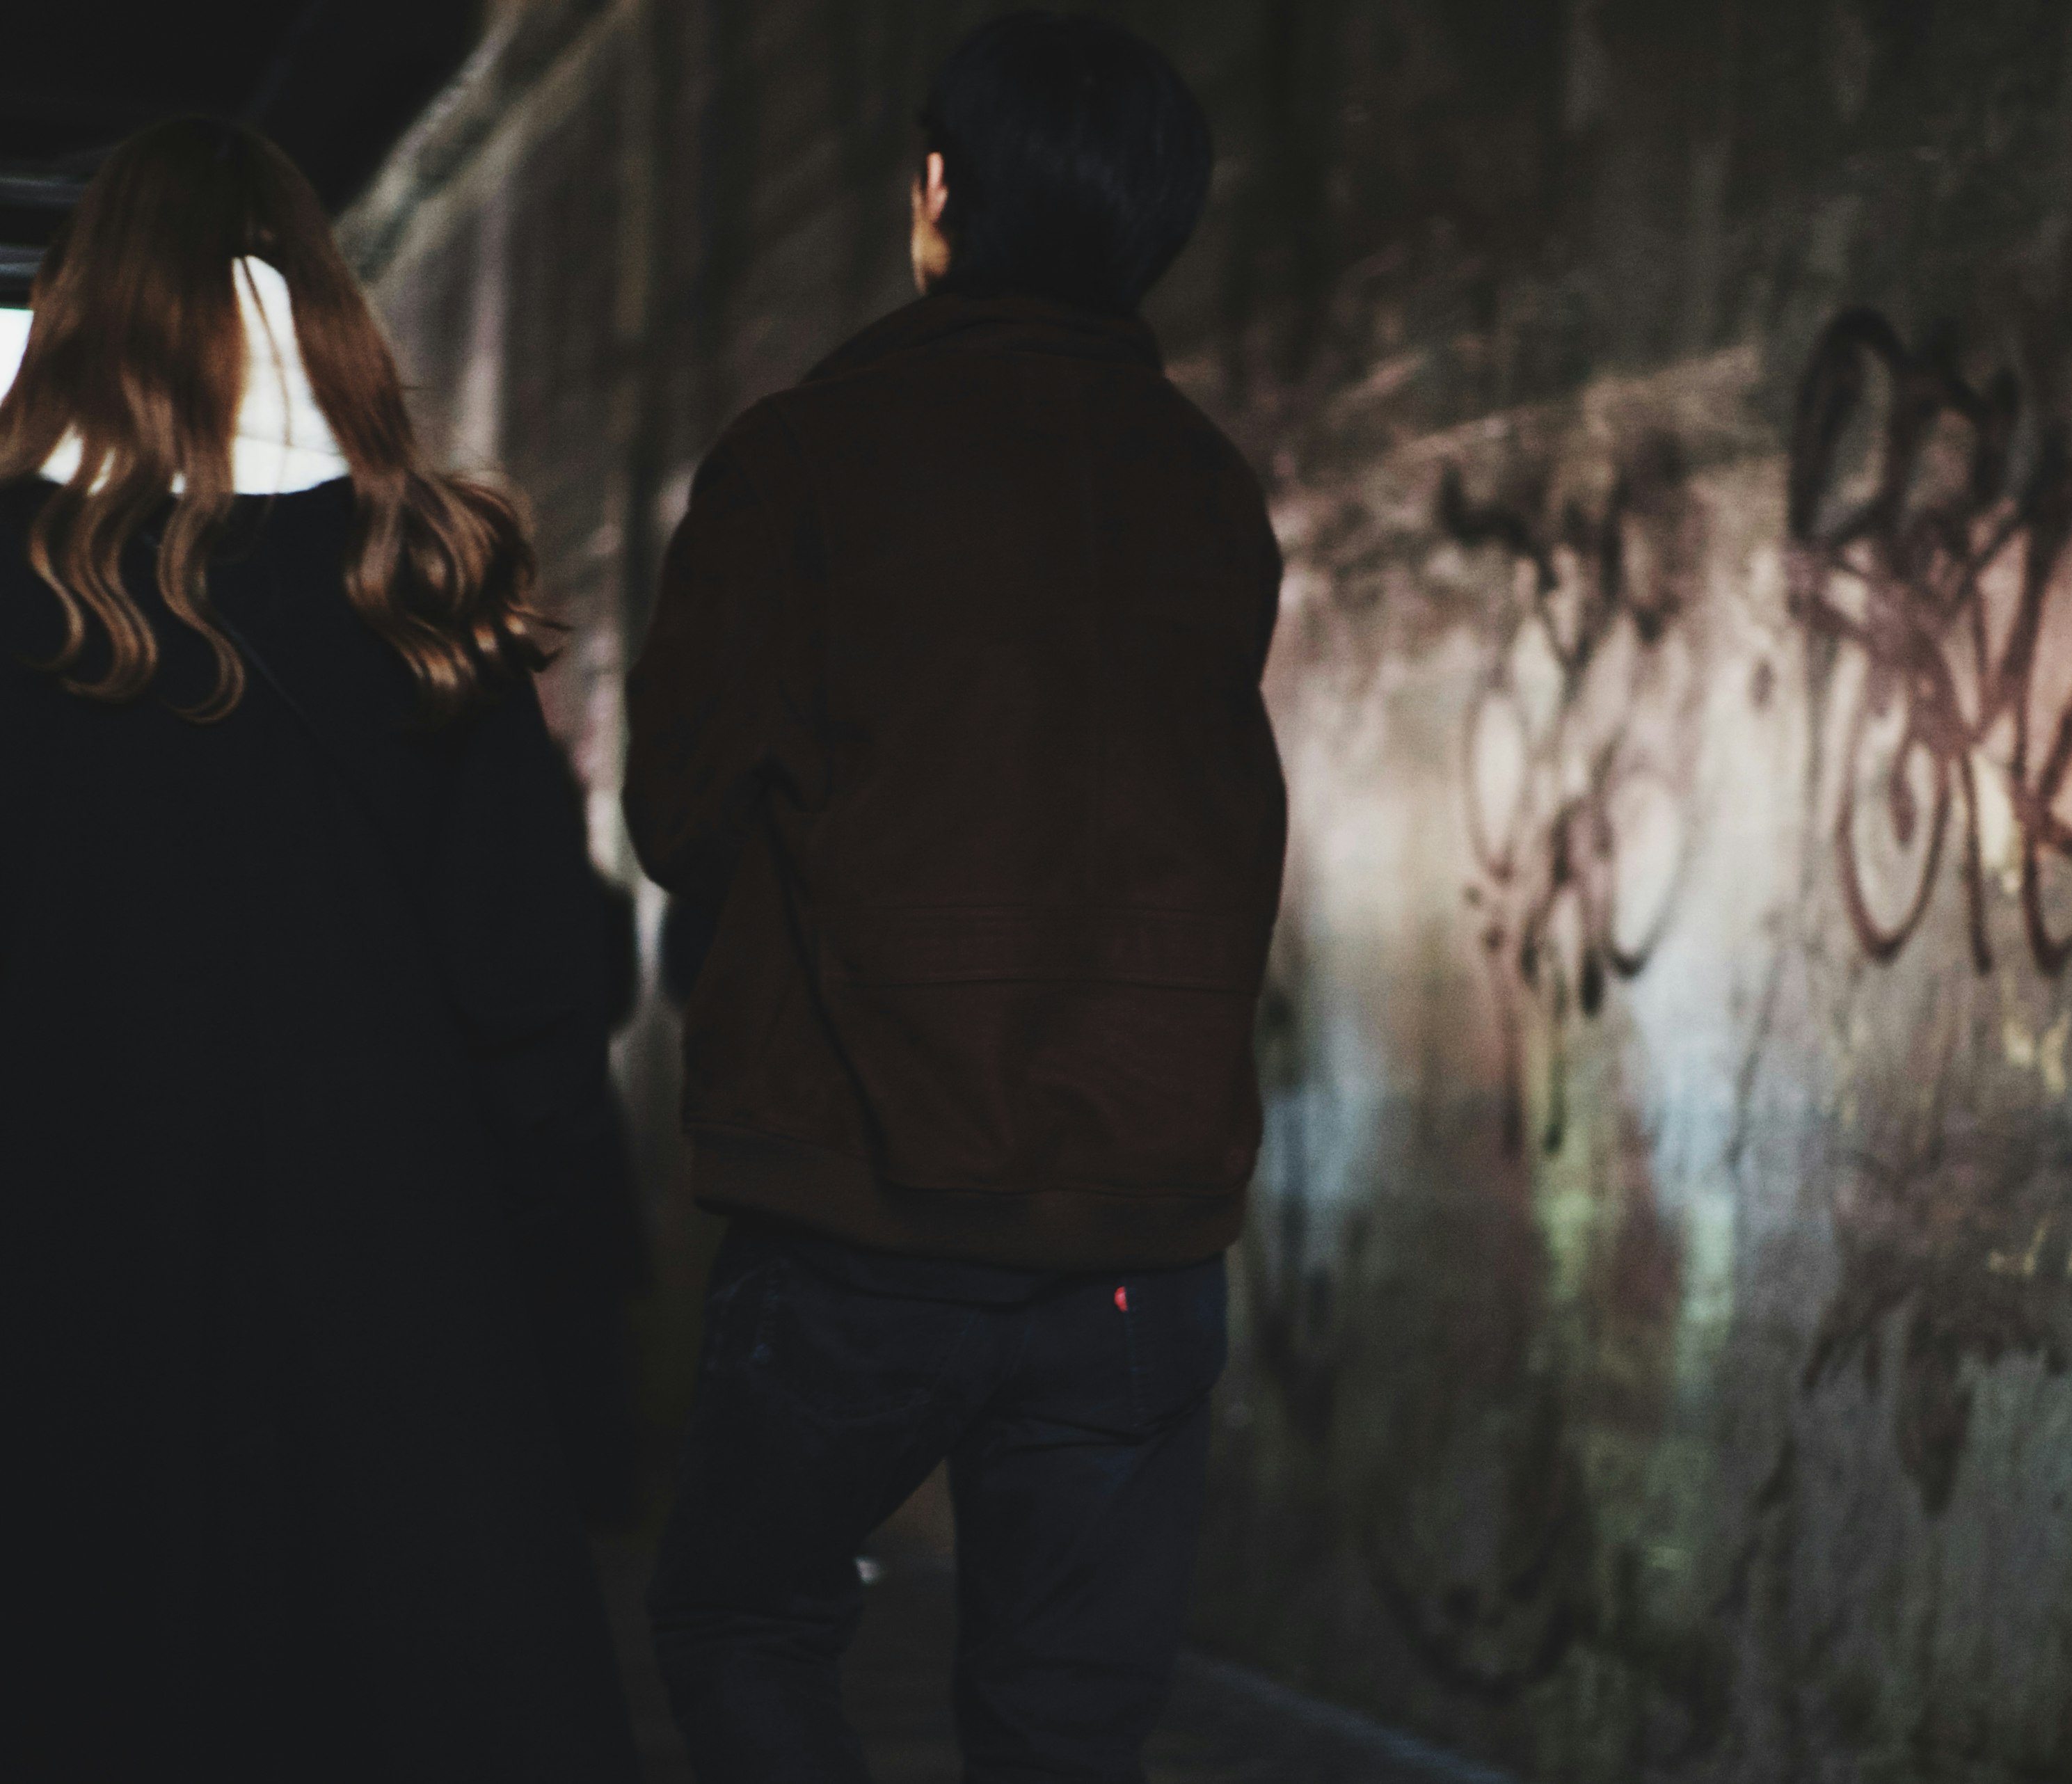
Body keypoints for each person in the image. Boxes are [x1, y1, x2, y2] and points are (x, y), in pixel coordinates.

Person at [627, 13, 1285, 1782]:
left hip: (861, 1203)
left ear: (937, 194)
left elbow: (680, 816)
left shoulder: (803, 460)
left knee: (747, 1628)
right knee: (1068, 1726)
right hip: (1139, 1235)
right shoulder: (1213, 496)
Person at [0, 119, 640, 1783]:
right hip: (393, 1355)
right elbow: (536, 1015)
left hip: (66, 1345)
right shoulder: (420, 579)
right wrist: (575, 1358)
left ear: (84, 316)